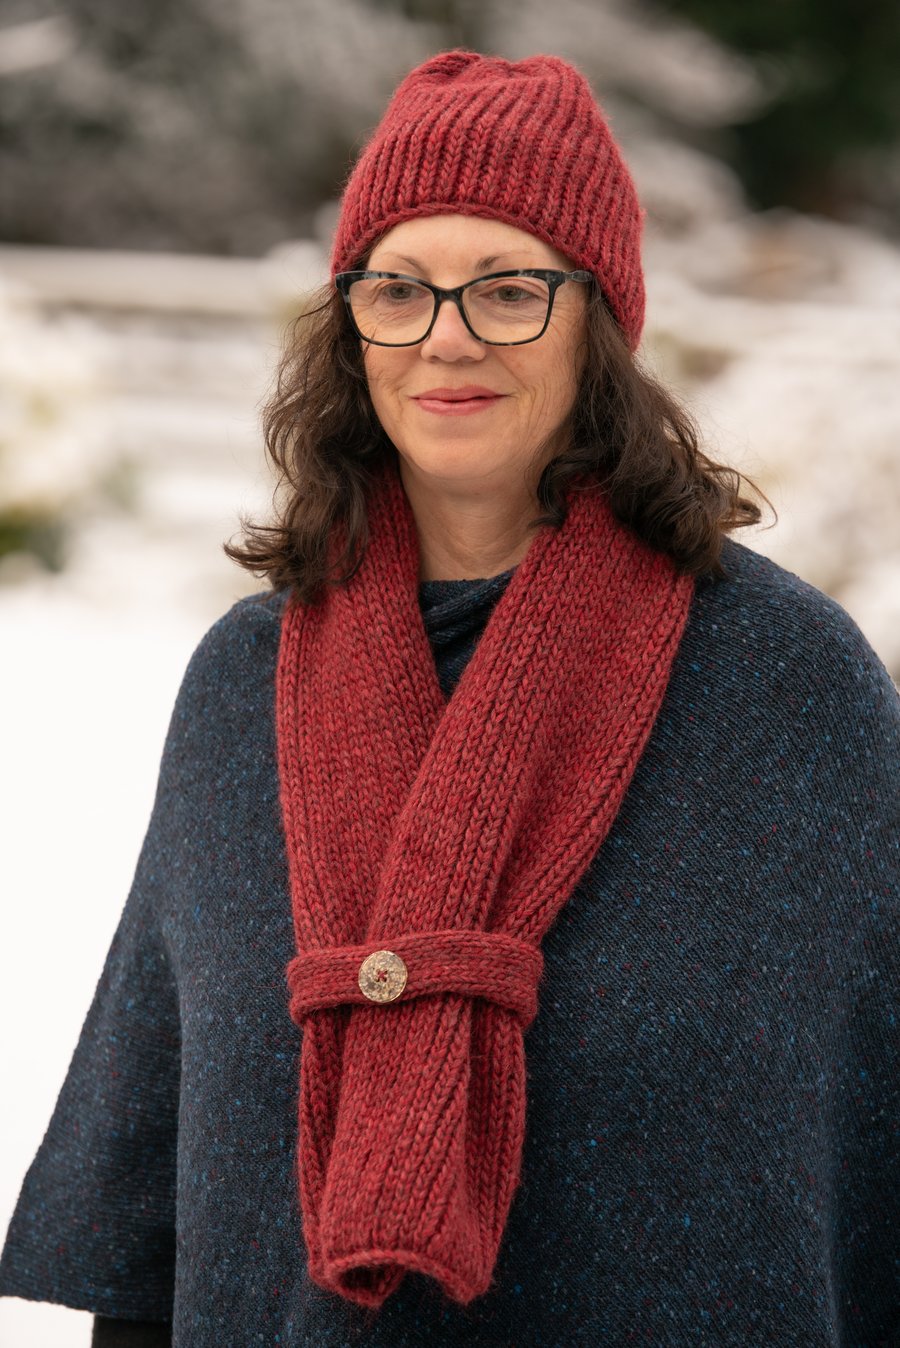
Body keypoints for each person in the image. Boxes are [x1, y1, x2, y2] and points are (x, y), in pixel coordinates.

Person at [1, 48, 897, 1348]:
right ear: (350, 321)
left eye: (510, 289)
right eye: (399, 288)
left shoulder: (787, 683)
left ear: (601, 323)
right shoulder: (242, 684)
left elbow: (862, 1164)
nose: (448, 336)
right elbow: (158, 1212)